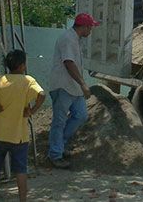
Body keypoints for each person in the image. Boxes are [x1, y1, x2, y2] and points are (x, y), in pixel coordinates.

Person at [0, 50, 46, 202]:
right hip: (18, 136)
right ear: (22, 65)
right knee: (20, 171)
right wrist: (32, 110)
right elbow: (42, 94)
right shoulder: (28, 81)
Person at [48, 13, 100, 169]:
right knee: (59, 121)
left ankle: (60, 145)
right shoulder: (68, 39)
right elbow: (69, 63)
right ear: (84, 26)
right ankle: (55, 155)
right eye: (90, 27)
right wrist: (83, 84)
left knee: (81, 116)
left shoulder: (75, 39)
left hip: (73, 87)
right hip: (63, 86)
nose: (91, 30)